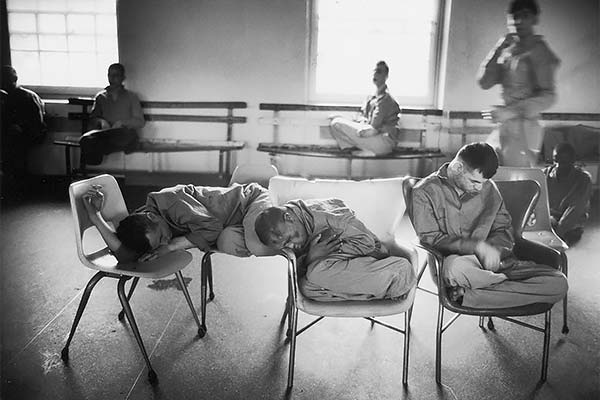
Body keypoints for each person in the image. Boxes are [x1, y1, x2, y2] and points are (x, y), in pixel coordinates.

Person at [411, 142, 568, 308]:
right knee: (453, 268)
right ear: (458, 168)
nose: (479, 188)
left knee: (559, 284)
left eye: (483, 182)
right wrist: (476, 247)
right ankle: (504, 283)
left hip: (496, 264)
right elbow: (430, 239)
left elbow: (504, 230)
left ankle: (470, 295)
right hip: (459, 265)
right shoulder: (424, 191)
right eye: (474, 181)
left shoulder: (488, 187)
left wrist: (494, 251)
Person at [254, 198, 416, 302]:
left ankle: (397, 274)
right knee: (305, 286)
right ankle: (374, 291)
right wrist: (312, 257)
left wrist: (322, 254)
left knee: (315, 274)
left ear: (289, 217)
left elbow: (366, 244)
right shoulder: (296, 224)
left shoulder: (327, 217)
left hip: (371, 257)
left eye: (290, 238)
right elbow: (307, 267)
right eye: (285, 246)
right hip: (338, 272)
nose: (292, 246)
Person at [82, 182, 268, 262]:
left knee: (257, 245)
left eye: (163, 236)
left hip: (250, 201)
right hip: (231, 224)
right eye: (160, 242)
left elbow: (211, 227)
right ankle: (280, 234)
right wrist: (95, 216)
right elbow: (125, 256)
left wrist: (172, 246)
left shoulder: (172, 202)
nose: (165, 241)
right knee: (228, 241)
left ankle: (290, 226)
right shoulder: (146, 229)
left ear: (152, 217)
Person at [477, 0, 560, 167]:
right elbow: (484, 82)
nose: (518, 21)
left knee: (514, 182)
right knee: (487, 172)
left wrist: (511, 112)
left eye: (525, 16)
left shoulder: (538, 50)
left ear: (534, 20)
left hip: (526, 128)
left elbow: (549, 96)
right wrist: (498, 49)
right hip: (505, 125)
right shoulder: (508, 49)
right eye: (514, 17)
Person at [329, 61, 400, 156]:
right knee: (336, 123)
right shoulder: (371, 97)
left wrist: (366, 130)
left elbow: (374, 128)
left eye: (379, 72)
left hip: (383, 142)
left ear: (386, 76)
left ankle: (372, 152)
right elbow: (363, 119)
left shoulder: (386, 100)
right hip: (373, 135)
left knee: (337, 123)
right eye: (374, 71)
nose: (375, 74)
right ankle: (362, 150)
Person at [79, 63, 145, 166]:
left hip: (125, 134)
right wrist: (101, 121)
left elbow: (140, 121)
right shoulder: (101, 97)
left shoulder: (131, 97)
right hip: (106, 134)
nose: (112, 78)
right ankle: (91, 170)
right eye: (110, 75)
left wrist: (122, 123)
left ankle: (104, 146)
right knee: (87, 139)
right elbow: (93, 118)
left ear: (123, 78)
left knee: (124, 135)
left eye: (116, 75)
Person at [1, 65, 47, 194]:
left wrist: (20, 126)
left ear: (14, 80)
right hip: (10, 132)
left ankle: (16, 182)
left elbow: (37, 122)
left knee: (12, 144)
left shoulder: (27, 96)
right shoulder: (4, 96)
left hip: (31, 132)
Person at [544, 143, 592, 246]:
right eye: (556, 160)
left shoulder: (583, 179)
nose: (558, 165)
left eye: (564, 162)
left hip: (570, 224)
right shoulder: (545, 174)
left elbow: (574, 210)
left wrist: (556, 235)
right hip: (549, 220)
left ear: (573, 161)